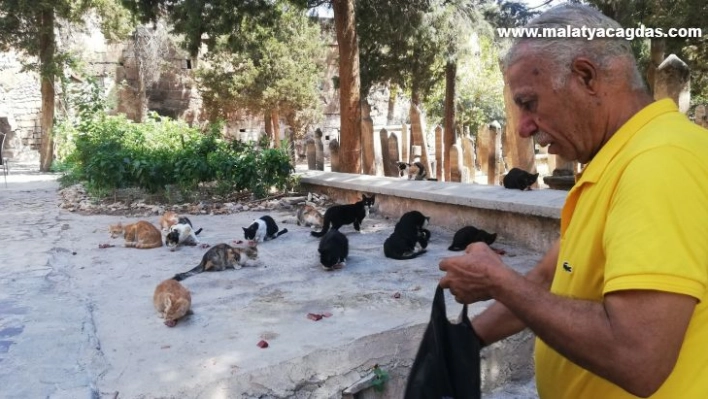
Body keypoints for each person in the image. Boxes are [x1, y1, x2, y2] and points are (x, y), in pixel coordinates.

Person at [439, 4, 708, 399]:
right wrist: (463, 339)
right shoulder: (617, 162)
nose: (523, 127)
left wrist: (499, 282)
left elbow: (639, 357)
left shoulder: (658, 164)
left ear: (586, 77)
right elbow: (549, 279)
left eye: (529, 103)